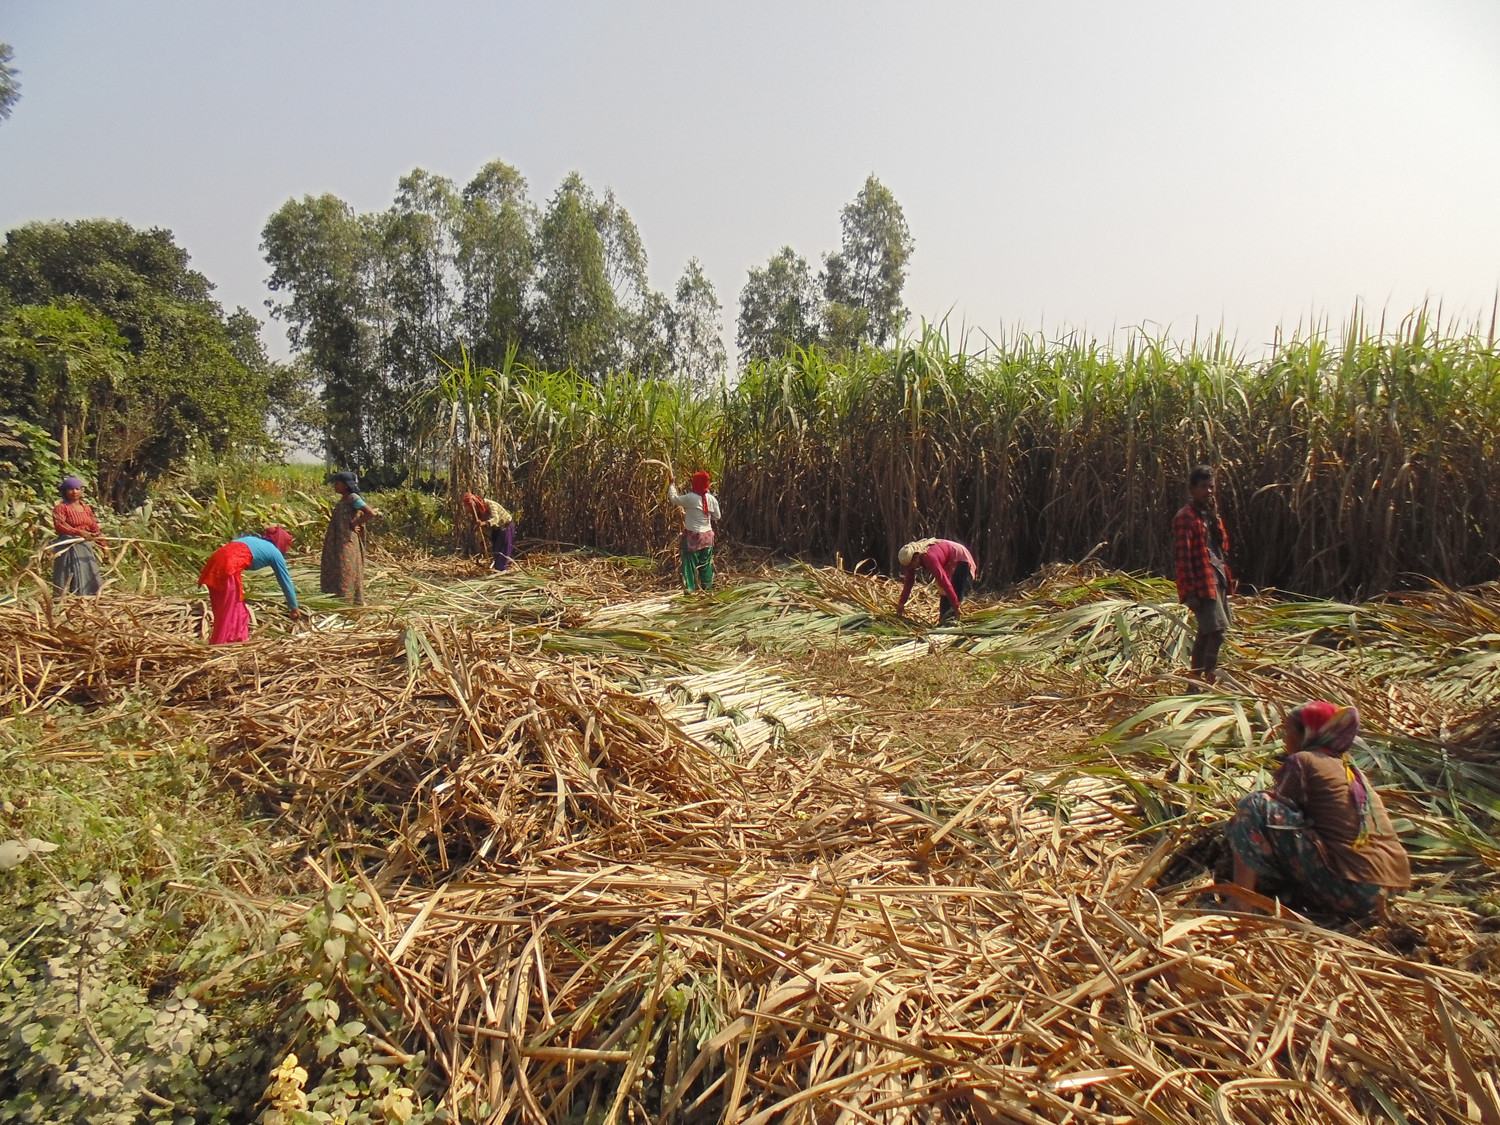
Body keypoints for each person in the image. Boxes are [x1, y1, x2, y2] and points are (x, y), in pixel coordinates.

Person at [1227, 701, 1410, 918]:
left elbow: (1274, 814)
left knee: (1255, 805)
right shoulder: (1348, 766)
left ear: (1308, 734)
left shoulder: (1303, 760)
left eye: (1289, 731)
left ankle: (1241, 902)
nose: (1285, 740)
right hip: (1392, 891)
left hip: (1353, 889)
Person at [1173, 465, 1235, 685]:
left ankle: (1195, 681)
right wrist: (1190, 593)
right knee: (1217, 631)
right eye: (1203, 487)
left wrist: (1215, 518)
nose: (1208, 492)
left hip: (1217, 579)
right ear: (1192, 489)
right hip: (1202, 584)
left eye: (1211, 487)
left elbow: (1223, 545)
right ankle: (1206, 682)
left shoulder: (1208, 516)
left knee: (1208, 632)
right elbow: (1184, 557)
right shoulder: (1185, 518)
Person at [198, 526, 302, 644]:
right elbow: (285, 581)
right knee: (234, 610)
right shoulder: (275, 553)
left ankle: (225, 642)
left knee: (222, 608)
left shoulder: (251, 539)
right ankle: (223, 645)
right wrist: (294, 607)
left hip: (215, 560)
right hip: (229, 566)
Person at [320, 471, 375, 605]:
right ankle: (335, 598)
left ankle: (348, 601)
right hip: (337, 539)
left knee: (346, 568)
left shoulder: (353, 498)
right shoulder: (344, 498)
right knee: (336, 567)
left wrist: (356, 523)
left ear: (346, 485)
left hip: (346, 540)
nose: (335, 485)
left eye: (337, 483)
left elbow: (370, 513)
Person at [896, 538, 977, 624]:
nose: (911, 568)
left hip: (960, 557)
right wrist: (901, 603)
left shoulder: (928, 557)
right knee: (944, 595)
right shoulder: (911, 559)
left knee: (954, 593)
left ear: (915, 558)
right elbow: (909, 581)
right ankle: (944, 622)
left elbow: (944, 581)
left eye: (911, 565)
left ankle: (955, 624)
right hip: (948, 561)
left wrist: (956, 607)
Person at [51, 476, 108, 596]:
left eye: (77, 489)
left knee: (89, 571)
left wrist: (104, 547)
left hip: (84, 547)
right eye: (70, 489)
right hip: (67, 546)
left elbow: (94, 528)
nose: (75, 492)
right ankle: (65, 599)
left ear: (81, 490)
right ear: (65, 492)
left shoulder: (86, 508)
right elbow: (59, 526)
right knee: (67, 573)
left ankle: (89, 597)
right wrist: (78, 532)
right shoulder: (61, 508)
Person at [668, 471, 720, 592]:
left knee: (689, 565)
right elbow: (717, 516)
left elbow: (674, 499)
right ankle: (708, 589)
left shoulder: (691, 498)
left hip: (694, 537)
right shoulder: (712, 499)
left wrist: (671, 485)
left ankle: (690, 591)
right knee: (705, 565)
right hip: (708, 537)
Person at [463, 492, 516, 571]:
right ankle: (499, 570)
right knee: (496, 551)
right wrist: (481, 543)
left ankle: (502, 571)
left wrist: (484, 523)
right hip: (495, 530)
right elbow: (479, 529)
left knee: (502, 553)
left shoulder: (490, 504)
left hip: (505, 527)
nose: (469, 510)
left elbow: (495, 519)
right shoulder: (477, 513)